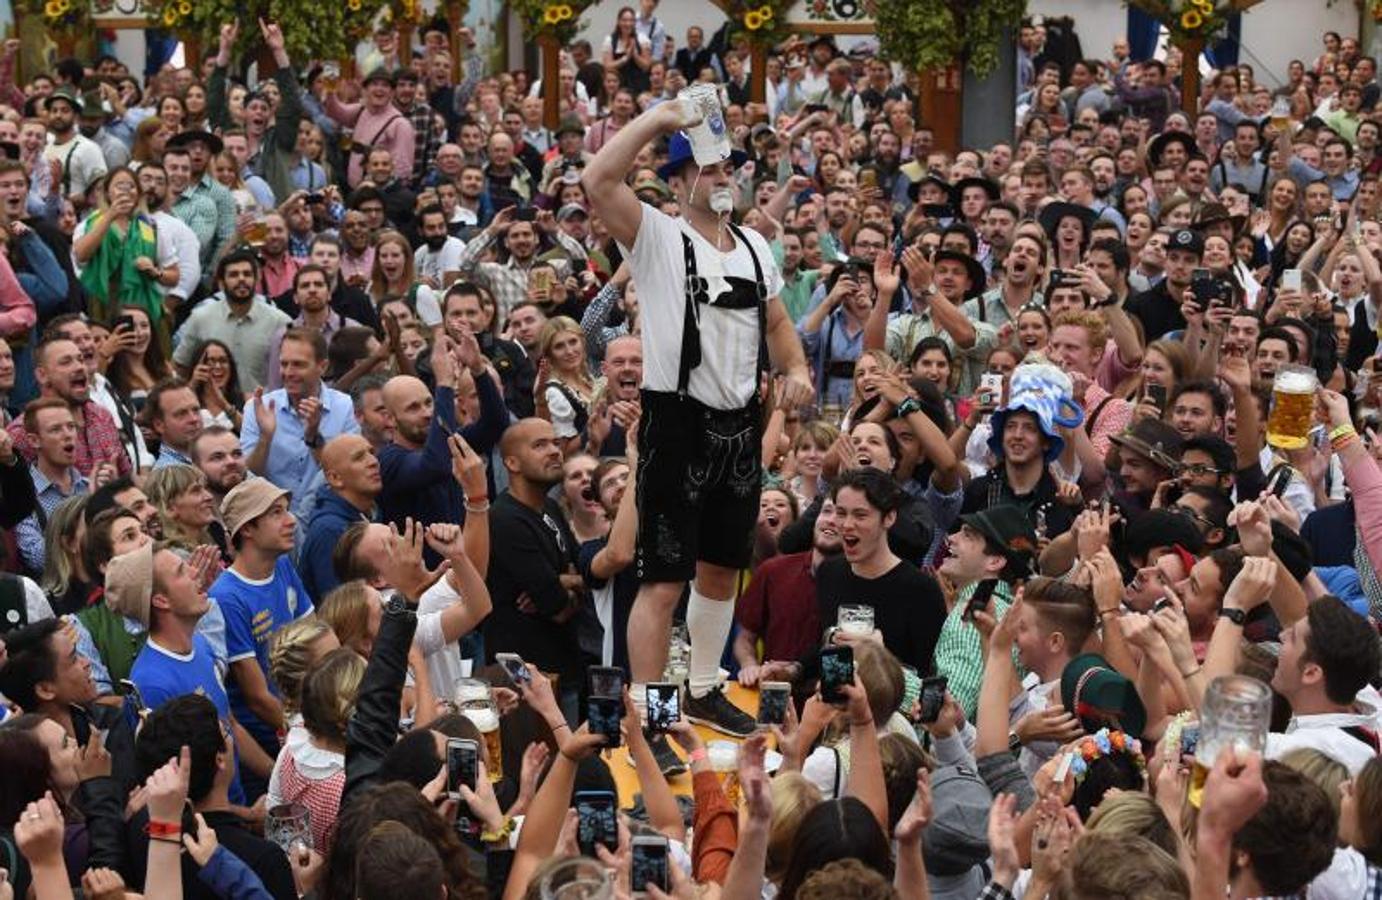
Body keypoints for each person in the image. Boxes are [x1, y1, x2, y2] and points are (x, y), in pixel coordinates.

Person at [583, 90, 812, 742]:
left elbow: (777, 323)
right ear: (680, 180)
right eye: (707, 169)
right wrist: (657, 119)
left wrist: (794, 372)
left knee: (720, 566)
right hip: (676, 422)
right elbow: (597, 180)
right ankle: (653, 716)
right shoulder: (657, 236)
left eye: (727, 169)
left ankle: (704, 688)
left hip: (740, 423)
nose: (722, 178)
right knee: (662, 579)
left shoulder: (753, 249)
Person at [210, 479, 313, 792]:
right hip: (270, 740)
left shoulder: (282, 566)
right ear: (247, 529)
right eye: (276, 513)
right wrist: (314, 731)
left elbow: (314, 637)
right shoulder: (227, 597)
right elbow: (257, 698)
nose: (291, 519)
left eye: (287, 510)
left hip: (304, 717)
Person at [242, 327, 359, 521]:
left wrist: (314, 436)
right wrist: (265, 438)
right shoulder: (259, 407)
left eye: (298, 365)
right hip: (272, 523)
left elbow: (348, 475)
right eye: (284, 364)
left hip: (327, 520)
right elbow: (248, 476)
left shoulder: (345, 407)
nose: (288, 372)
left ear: (322, 366)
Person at [173, 250, 293, 394]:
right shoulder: (201, 317)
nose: (241, 279)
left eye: (247, 274)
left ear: (256, 279)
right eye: (234, 275)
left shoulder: (279, 321)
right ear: (222, 283)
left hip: (262, 408)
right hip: (211, 410)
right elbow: (180, 365)